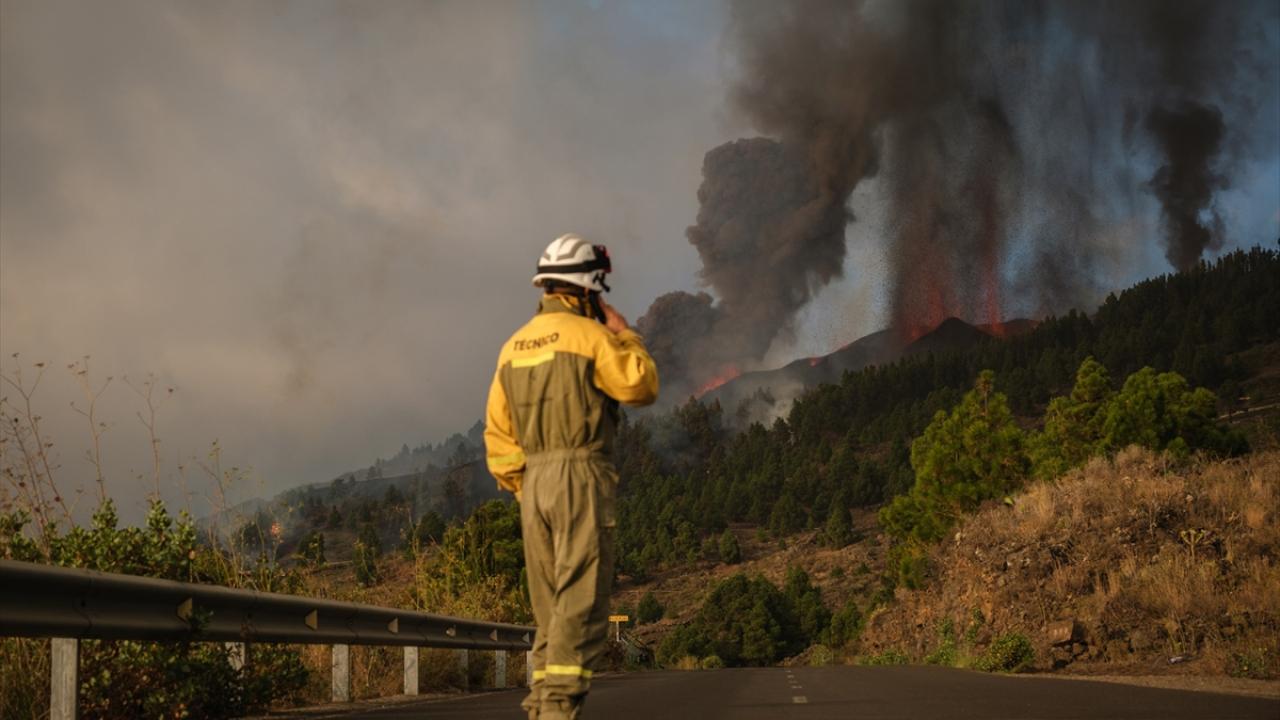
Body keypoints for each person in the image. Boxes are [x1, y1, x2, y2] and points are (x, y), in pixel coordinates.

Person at [484, 233, 659, 720]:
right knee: (581, 604)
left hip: (532, 485)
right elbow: (640, 385)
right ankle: (558, 710)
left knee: (550, 611)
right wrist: (625, 335)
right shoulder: (590, 337)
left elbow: (497, 435)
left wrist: (526, 486)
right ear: (588, 288)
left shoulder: (513, 347)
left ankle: (542, 707)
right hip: (579, 475)